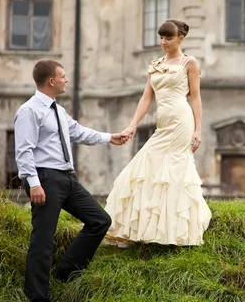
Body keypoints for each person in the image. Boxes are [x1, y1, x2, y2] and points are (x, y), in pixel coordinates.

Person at [14, 60, 127, 302]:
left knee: (99, 220)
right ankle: (37, 296)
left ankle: (64, 273)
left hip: (66, 178)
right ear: (51, 81)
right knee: (43, 239)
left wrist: (110, 137)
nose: (66, 80)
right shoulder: (29, 110)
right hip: (45, 178)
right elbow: (24, 151)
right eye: (63, 76)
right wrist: (34, 183)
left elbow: (78, 132)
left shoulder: (58, 110)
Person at [104, 19, 212, 246]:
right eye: (161, 37)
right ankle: (148, 230)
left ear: (180, 39)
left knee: (174, 171)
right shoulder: (155, 65)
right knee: (143, 168)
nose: (163, 42)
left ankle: (175, 231)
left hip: (182, 122)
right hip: (162, 123)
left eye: (168, 38)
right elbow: (146, 98)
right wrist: (132, 124)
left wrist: (199, 130)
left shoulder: (189, 63)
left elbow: (196, 97)